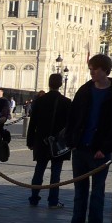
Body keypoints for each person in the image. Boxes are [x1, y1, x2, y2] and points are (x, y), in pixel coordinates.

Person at [64, 53, 112, 223]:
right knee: (79, 192)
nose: (91, 71)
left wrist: (106, 148)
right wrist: (72, 141)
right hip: (80, 148)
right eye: (91, 68)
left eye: (95, 68)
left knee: (97, 193)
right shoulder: (84, 90)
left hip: (99, 151)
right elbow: (73, 117)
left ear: (105, 70)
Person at [25, 73, 71, 208]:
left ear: (49, 83)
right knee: (56, 174)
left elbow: (32, 123)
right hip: (58, 143)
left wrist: (30, 141)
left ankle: (34, 198)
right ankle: (53, 200)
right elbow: (69, 125)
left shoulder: (39, 101)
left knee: (39, 170)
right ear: (61, 84)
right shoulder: (66, 102)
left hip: (42, 141)